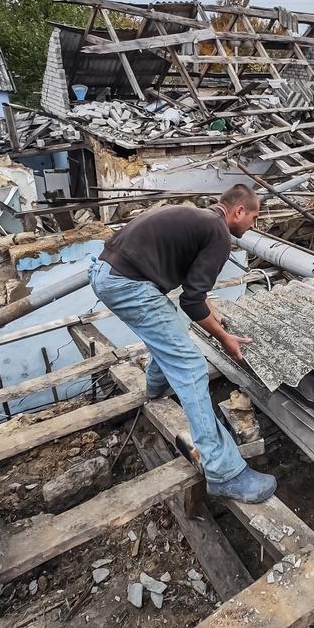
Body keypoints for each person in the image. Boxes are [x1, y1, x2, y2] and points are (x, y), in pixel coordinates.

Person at [90, 184, 279, 501]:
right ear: (239, 211)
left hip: (106, 273)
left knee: (169, 331)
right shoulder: (218, 233)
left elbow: (196, 294)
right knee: (191, 365)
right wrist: (226, 339)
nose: (253, 226)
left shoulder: (201, 219)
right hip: (128, 284)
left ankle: (155, 388)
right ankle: (223, 472)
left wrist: (211, 312)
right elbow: (192, 303)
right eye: (254, 218)